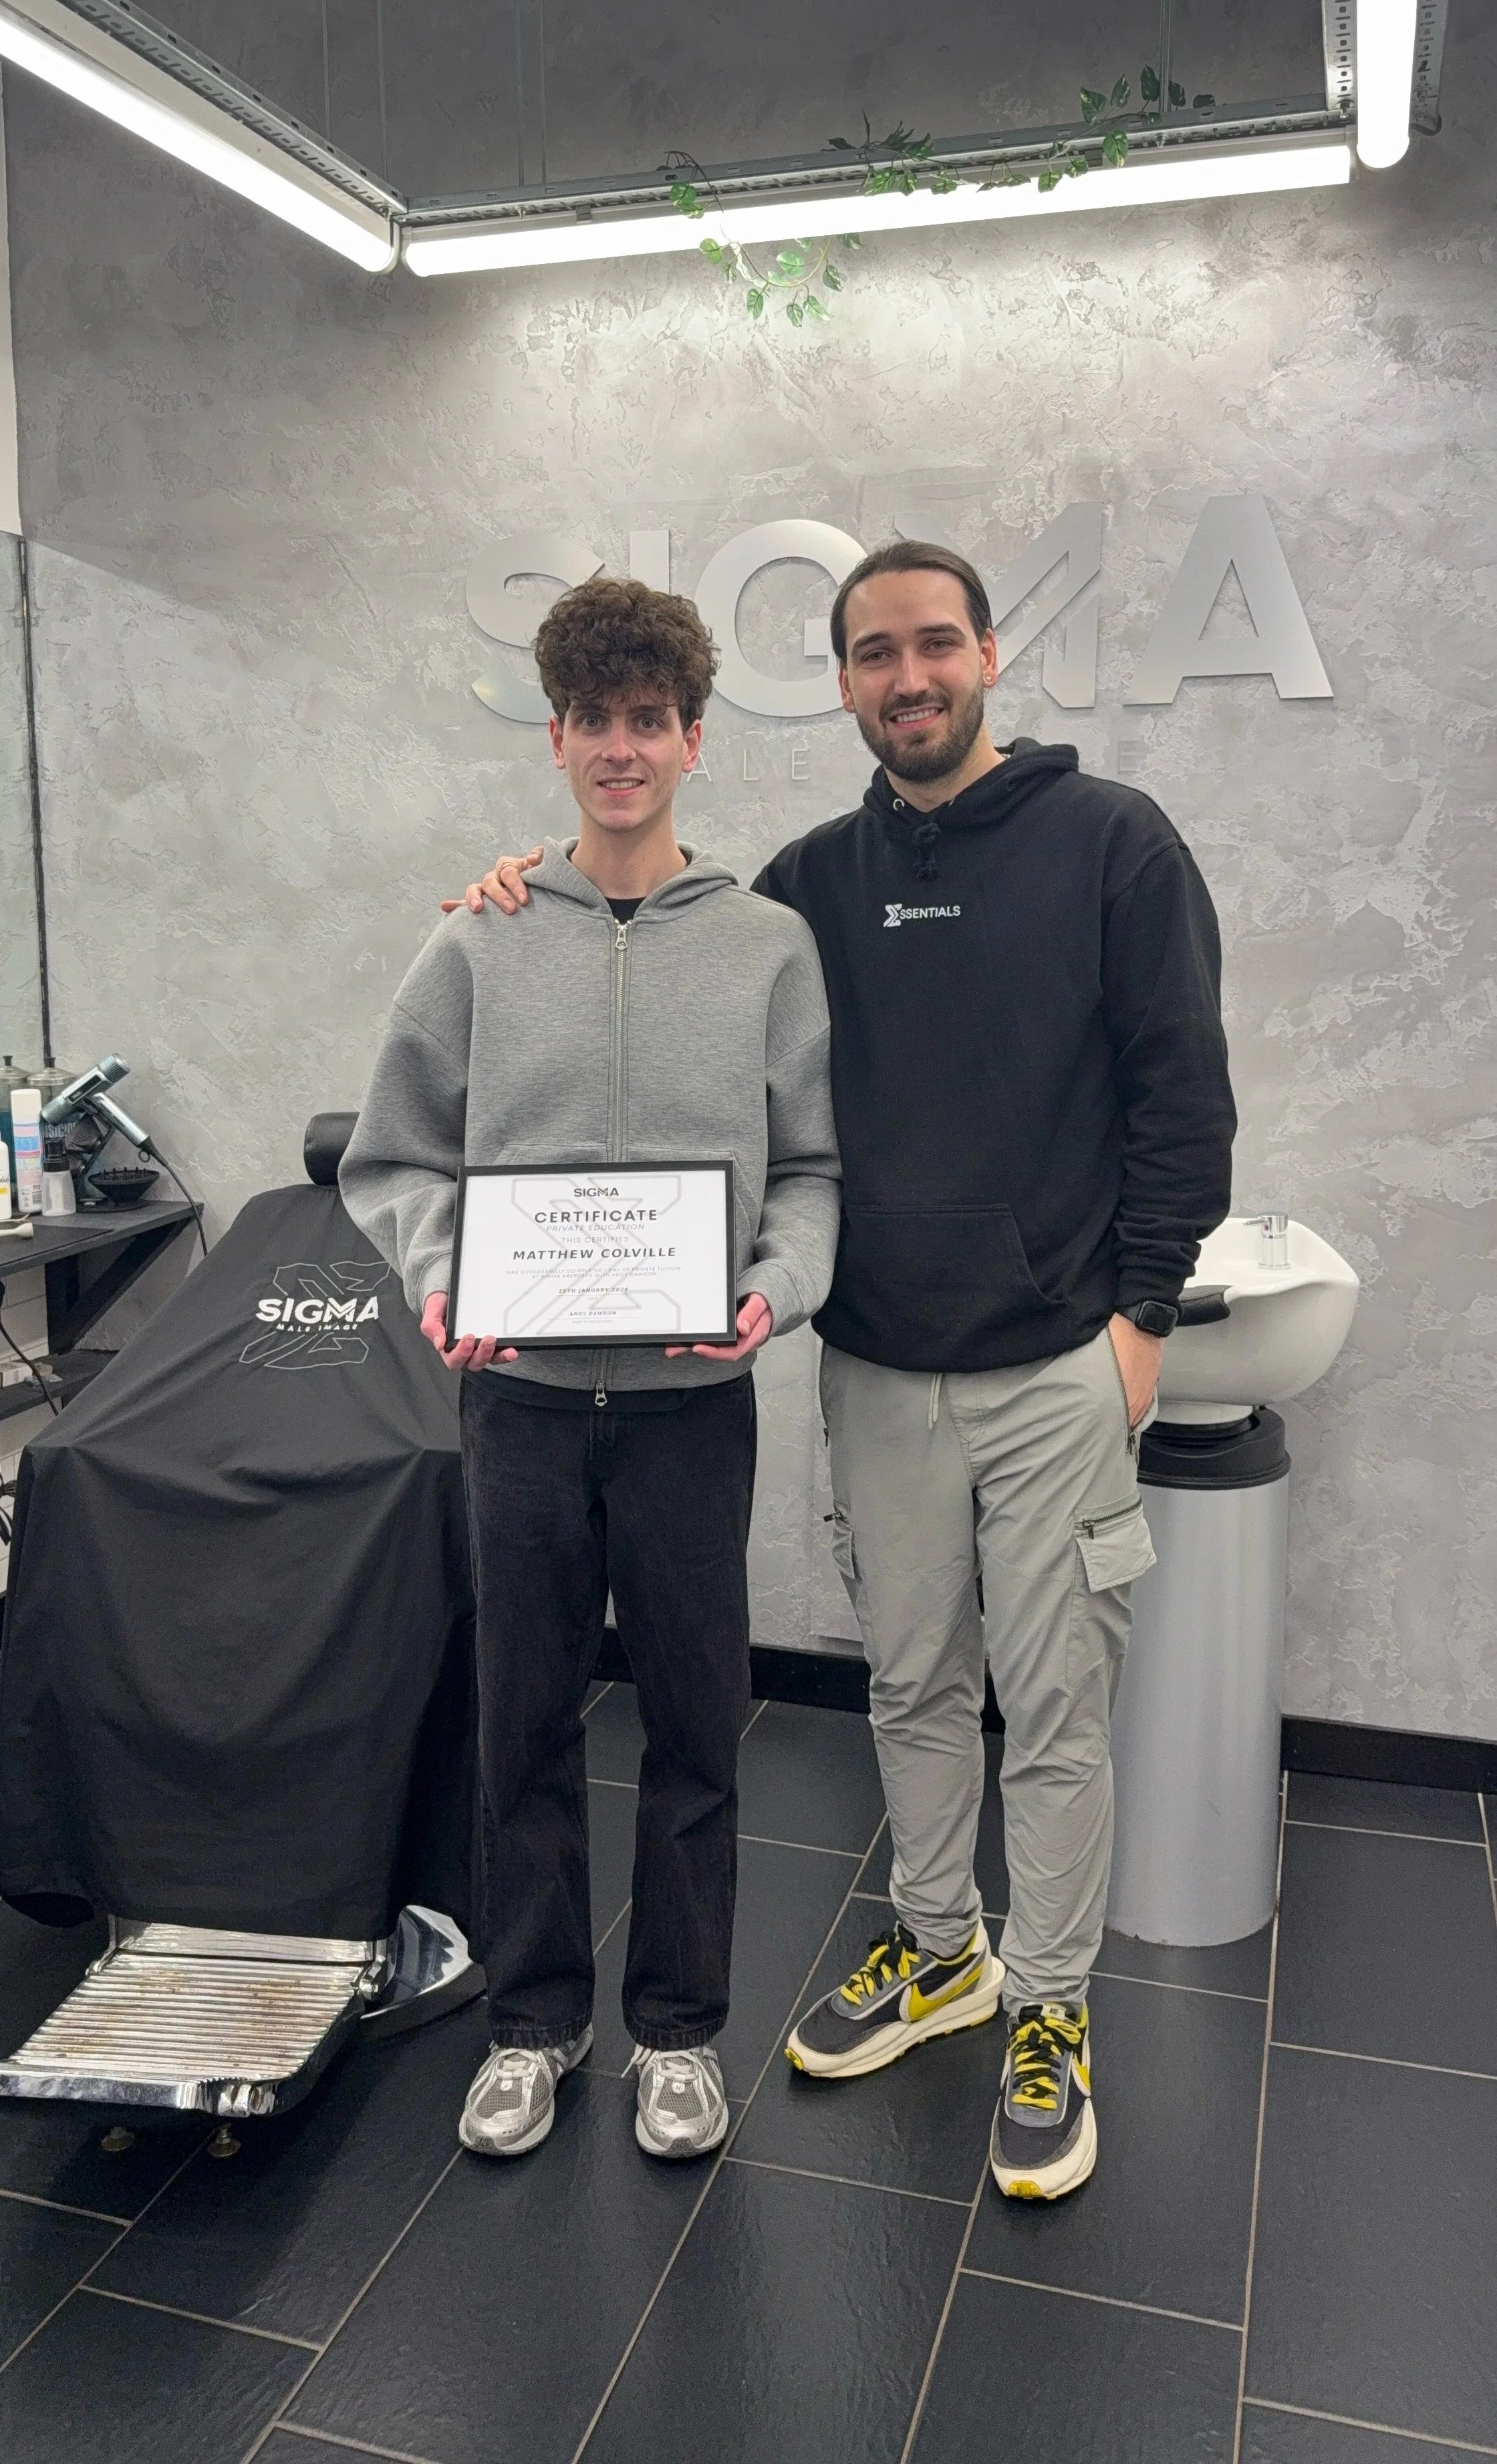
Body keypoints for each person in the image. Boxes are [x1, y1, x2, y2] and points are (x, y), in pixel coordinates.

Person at [451, 538, 1234, 2203]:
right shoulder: (806, 886)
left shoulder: (1117, 847)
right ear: (844, 682)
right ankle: (941, 1947)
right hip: (874, 1366)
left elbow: (1184, 1100)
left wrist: (1141, 1327)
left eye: (934, 645)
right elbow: (660, 936)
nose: (909, 679)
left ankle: (1049, 2004)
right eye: (875, 655)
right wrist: (518, 892)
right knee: (912, 1687)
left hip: (1055, 1371)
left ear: (990, 655)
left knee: (1062, 1707)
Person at [342, 576, 839, 2165]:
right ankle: (536, 2019)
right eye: (594, 723)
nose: (622, 750)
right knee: (525, 1718)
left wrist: (772, 1291)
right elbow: (396, 1155)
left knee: (699, 1720)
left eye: (650, 722)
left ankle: (679, 2027)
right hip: (526, 1401)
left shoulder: (768, 945)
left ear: (693, 739)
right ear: (556, 739)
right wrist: (439, 1278)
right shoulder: (479, 940)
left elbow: (817, 1171)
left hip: (697, 1406)